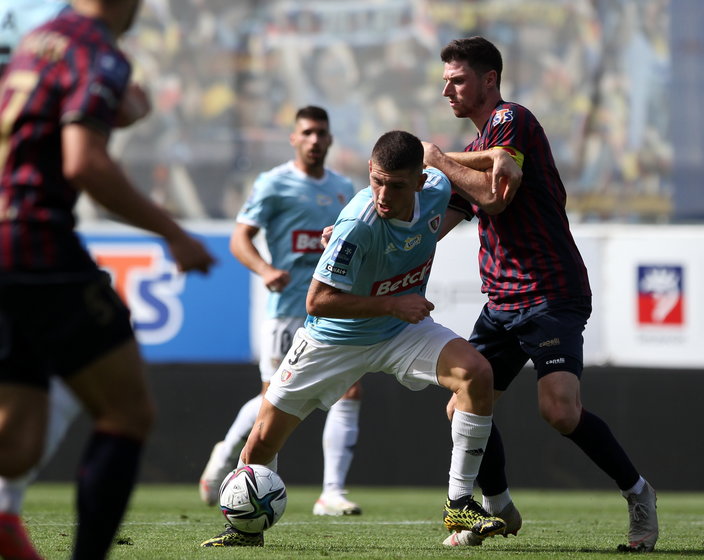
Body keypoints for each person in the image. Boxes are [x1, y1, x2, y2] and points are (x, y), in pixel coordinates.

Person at [200, 130, 507, 547]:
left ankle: (458, 502)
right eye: (377, 181)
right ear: (369, 172)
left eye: (396, 185)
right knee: (260, 443)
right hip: (335, 339)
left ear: (420, 179)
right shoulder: (356, 224)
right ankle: (244, 530)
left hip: (399, 333)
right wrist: (393, 305)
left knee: (476, 373)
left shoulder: (437, 188)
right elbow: (318, 300)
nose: (383, 194)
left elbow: (482, 178)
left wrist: (500, 154)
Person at [422, 36, 659, 551]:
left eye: (457, 79)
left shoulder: (512, 120)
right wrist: (374, 233)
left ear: (489, 80)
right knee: (462, 405)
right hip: (502, 302)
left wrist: (438, 160)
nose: (447, 91)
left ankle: (639, 495)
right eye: (445, 81)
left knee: (560, 412)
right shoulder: (474, 148)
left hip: (550, 293)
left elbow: (495, 198)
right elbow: (441, 224)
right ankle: (498, 507)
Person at [0, 1, 216, 559]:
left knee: (17, 444)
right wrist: (174, 234)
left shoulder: (37, 39)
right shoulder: (99, 50)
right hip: (36, 239)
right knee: (127, 411)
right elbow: (84, 163)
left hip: (6, 236)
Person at [198, 105, 365, 516]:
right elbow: (240, 239)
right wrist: (265, 269)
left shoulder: (346, 189)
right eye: (306, 132)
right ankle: (225, 456)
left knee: (351, 390)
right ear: (294, 138)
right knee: (272, 399)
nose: (313, 139)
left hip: (332, 311)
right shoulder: (273, 184)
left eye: (320, 133)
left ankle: (331, 493)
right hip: (286, 311)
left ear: (329, 139)